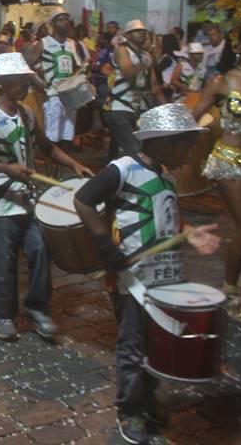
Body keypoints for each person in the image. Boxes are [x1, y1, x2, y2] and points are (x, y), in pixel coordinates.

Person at [74, 104, 220, 445]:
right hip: (132, 280)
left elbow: (164, 215)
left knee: (154, 343)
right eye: (185, 145)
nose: (189, 154)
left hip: (163, 277)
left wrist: (190, 231)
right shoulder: (122, 169)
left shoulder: (165, 177)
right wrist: (106, 248)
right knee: (132, 346)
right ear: (162, 142)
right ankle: (130, 411)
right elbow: (83, 201)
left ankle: (146, 398)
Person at [0, 52, 92, 341]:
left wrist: (74, 164)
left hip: (29, 202)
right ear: (2, 84)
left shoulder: (27, 114)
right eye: (19, 81)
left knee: (40, 253)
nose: (26, 85)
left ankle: (37, 309)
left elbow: (47, 147)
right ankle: (3, 316)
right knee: (3, 264)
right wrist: (5, 167)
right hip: (1, 204)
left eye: (25, 80)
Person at [191, 23, 241, 321]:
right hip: (229, 162)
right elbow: (193, 117)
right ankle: (231, 290)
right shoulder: (222, 82)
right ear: (239, 46)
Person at [102, 19, 165, 158]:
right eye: (137, 31)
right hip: (119, 107)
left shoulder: (146, 55)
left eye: (144, 31)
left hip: (136, 108)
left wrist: (166, 107)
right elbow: (127, 72)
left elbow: (154, 86)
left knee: (124, 149)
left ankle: (113, 173)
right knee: (134, 149)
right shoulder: (122, 50)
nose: (142, 34)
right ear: (128, 36)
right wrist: (147, 62)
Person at [23, 7, 79, 150]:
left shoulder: (71, 44)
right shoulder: (44, 43)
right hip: (53, 96)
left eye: (67, 20)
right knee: (52, 137)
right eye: (61, 20)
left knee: (68, 136)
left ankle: (64, 169)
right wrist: (40, 84)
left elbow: (77, 66)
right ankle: (51, 170)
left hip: (70, 96)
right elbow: (27, 67)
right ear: (53, 23)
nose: (65, 23)